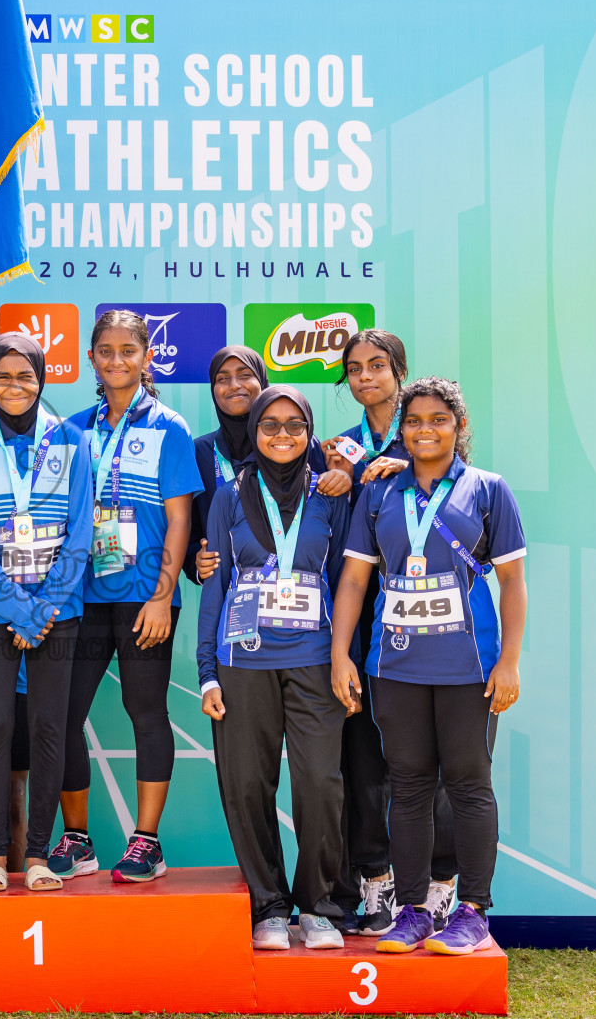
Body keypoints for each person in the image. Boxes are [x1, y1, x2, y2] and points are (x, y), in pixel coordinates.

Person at [330, 376, 526, 957]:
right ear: (402, 430)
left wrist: (510, 662)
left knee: (468, 786)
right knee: (409, 788)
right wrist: (342, 654)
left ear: (459, 427)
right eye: (413, 420)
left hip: (469, 668)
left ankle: (473, 912)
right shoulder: (380, 492)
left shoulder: (487, 490)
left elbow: (512, 582)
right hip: (395, 667)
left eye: (438, 419)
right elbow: (355, 580)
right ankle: (412, 911)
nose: (424, 429)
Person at [197, 386, 351, 950]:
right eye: (269, 426)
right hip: (242, 659)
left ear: (308, 432)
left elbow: (345, 584)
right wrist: (207, 670)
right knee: (245, 784)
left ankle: (317, 907)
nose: (281, 435)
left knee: (319, 783)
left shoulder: (329, 493)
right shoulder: (229, 493)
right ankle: (268, 905)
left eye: (294, 425)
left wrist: (344, 661)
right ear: (254, 430)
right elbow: (215, 584)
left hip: (313, 661)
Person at [50, 309, 202, 883]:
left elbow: (179, 518)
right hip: (82, 597)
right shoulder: (75, 428)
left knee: (145, 713)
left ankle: (147, 841)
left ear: (147, 358)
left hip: (144, 597)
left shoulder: (170, 428)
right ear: (91, 358)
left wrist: (163, 596)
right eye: (105, 351)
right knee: (64, 715)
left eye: (128, 351)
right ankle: (77, 838)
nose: (116, 361)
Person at [0, 333, 93, 892]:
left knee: (49, 729)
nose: (15, 386)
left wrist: (45, 606)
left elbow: (81, 530)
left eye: (26, 376)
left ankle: (35, 855)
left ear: (41, 380)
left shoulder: (72, 441)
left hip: (59, 611)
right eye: (3, 376)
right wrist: (16, 607)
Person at [189, 347, 348, 584]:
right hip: (229, 593)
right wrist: (196, 563)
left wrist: (341, 477)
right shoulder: (199, 452)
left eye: (244, 374)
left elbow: (329, 522)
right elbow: (187, 530)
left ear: (262, 381)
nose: (234, 385)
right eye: (222, 378)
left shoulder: (299, 444)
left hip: (300, 588)